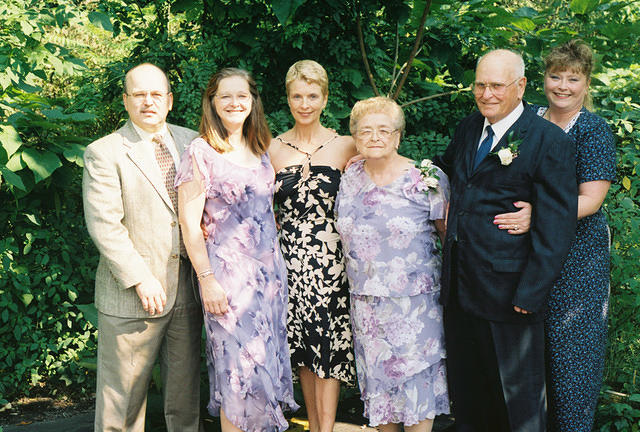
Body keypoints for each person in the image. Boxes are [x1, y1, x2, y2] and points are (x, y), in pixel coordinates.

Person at [435, 49, 578, 431]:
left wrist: (531, 294)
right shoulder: (469, 127)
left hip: (511, 293)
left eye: (497, 85)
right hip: (462, 289)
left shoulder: (549, 141)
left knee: (520, 403)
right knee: (469, 397)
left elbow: (556, 227)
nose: (487, 94)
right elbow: (446, 170)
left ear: (520, 87)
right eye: (480, 85)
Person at [176, 68, 298, 432]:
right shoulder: (200, 152)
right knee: (236, 371)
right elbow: (189, 224)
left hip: (268, 280)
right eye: (225, 96)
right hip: (226, 281)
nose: (234, 102)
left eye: (241, 95)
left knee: (264, 366)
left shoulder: (261, 150)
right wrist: (207, 279)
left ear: (252, 101)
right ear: (212, 102)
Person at [82, 63, 202, 431]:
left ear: (168, 100)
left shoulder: (193, 142)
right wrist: (140, 278)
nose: (148, 101)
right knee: (123, 403)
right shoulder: (105, 152)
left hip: (186, 291)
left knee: (185, 401)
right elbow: (105, 225)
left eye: (155, 94)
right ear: (126, 101)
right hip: (134, 295)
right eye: (139, 94)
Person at [335, 96, 450, 432]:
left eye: (384, 130)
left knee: (416, 394)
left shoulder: (426, 178)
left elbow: (449, 239)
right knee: (383, 401)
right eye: (366, 131)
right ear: (354, 137)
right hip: (368, 309)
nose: (374, 137)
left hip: (415, 307)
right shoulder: (350, 176)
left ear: (398, 136)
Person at [269, 60, 358, 432]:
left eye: (312, 96)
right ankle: (315, 426)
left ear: (325, 98)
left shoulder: (346, 145)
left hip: (332, 262)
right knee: (303, 348)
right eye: (297, 96)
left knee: (329, 344)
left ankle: (328, 427)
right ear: (288, 99)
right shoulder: (271, 148)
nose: (304, 104)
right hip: (288, 260)